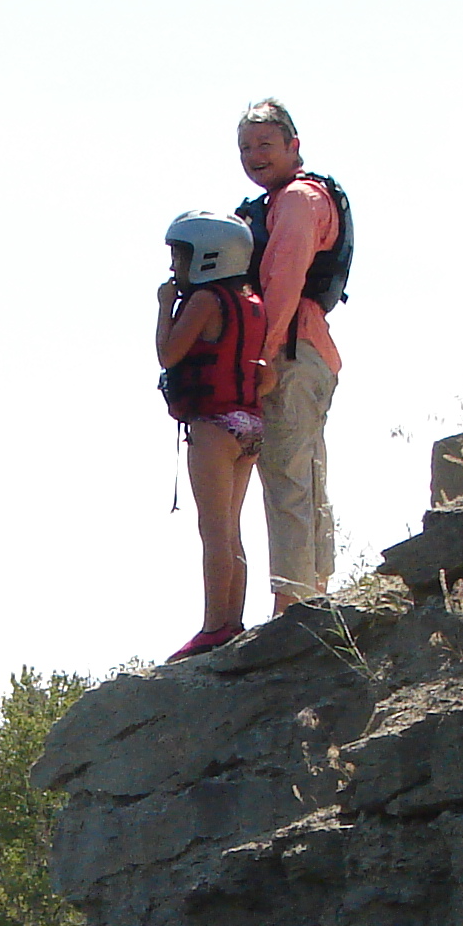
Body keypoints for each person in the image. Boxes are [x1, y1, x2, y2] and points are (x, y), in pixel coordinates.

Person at [232, 99, 352, 610]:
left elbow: (283, 280)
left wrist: (262, 359)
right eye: (245, 147)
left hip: (291, 351)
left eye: (265, 144)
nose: (254, 155)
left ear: (293, 146)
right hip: (306, 349)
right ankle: (312, 597)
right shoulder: (283, 200)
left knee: (287, 477)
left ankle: (293, 606)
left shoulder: (299, 200)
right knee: (304, 475)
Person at [155, 211, 268, 661]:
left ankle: (212, 626)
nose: (173, 268)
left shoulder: (204, 302)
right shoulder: (252, 302)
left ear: (207, 256)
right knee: (231, 528)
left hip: (214, 427)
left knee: (213, 530)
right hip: (250, 426)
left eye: (179, 256)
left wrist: (164, 306)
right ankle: (232, 620)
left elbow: (168, 353)